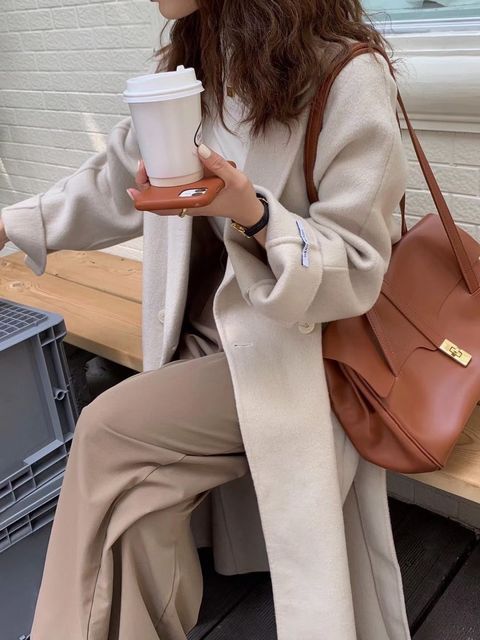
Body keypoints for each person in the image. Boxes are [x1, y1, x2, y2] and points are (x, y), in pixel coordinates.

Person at [0, 1, 412, 639]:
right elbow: (113, 185)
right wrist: (10, 223)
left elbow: (357, 267)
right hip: (206, 340)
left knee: (105, 426)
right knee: (135, 511)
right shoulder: (194, 67)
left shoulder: (348, 75)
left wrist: (255, 214)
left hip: (298, 354)